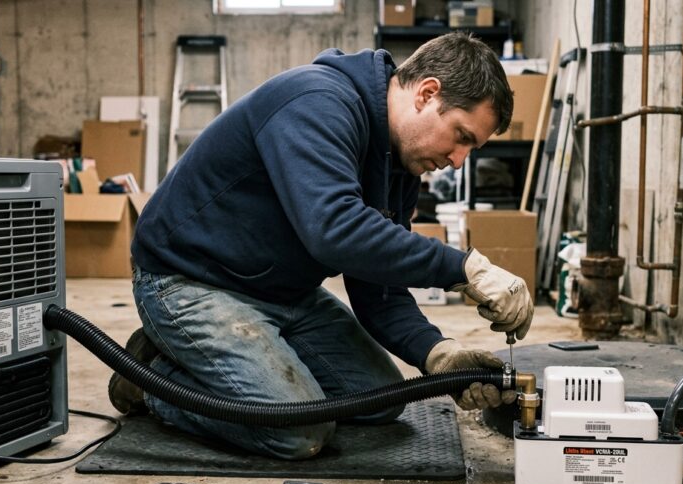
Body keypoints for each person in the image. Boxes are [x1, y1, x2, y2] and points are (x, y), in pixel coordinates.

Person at [110, 32, 534, 460]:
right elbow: (335, 230)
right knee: (298, 430)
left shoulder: (399, 164)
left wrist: (438, 355)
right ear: (427, 93)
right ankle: (151, 380)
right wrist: (463, 270)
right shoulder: (316, 102)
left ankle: (217, 364)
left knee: (381, 401)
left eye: (471, 148)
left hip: (281, 292)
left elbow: (377, 283)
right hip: (191, 282)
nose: (458, 160)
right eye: (460, 136)